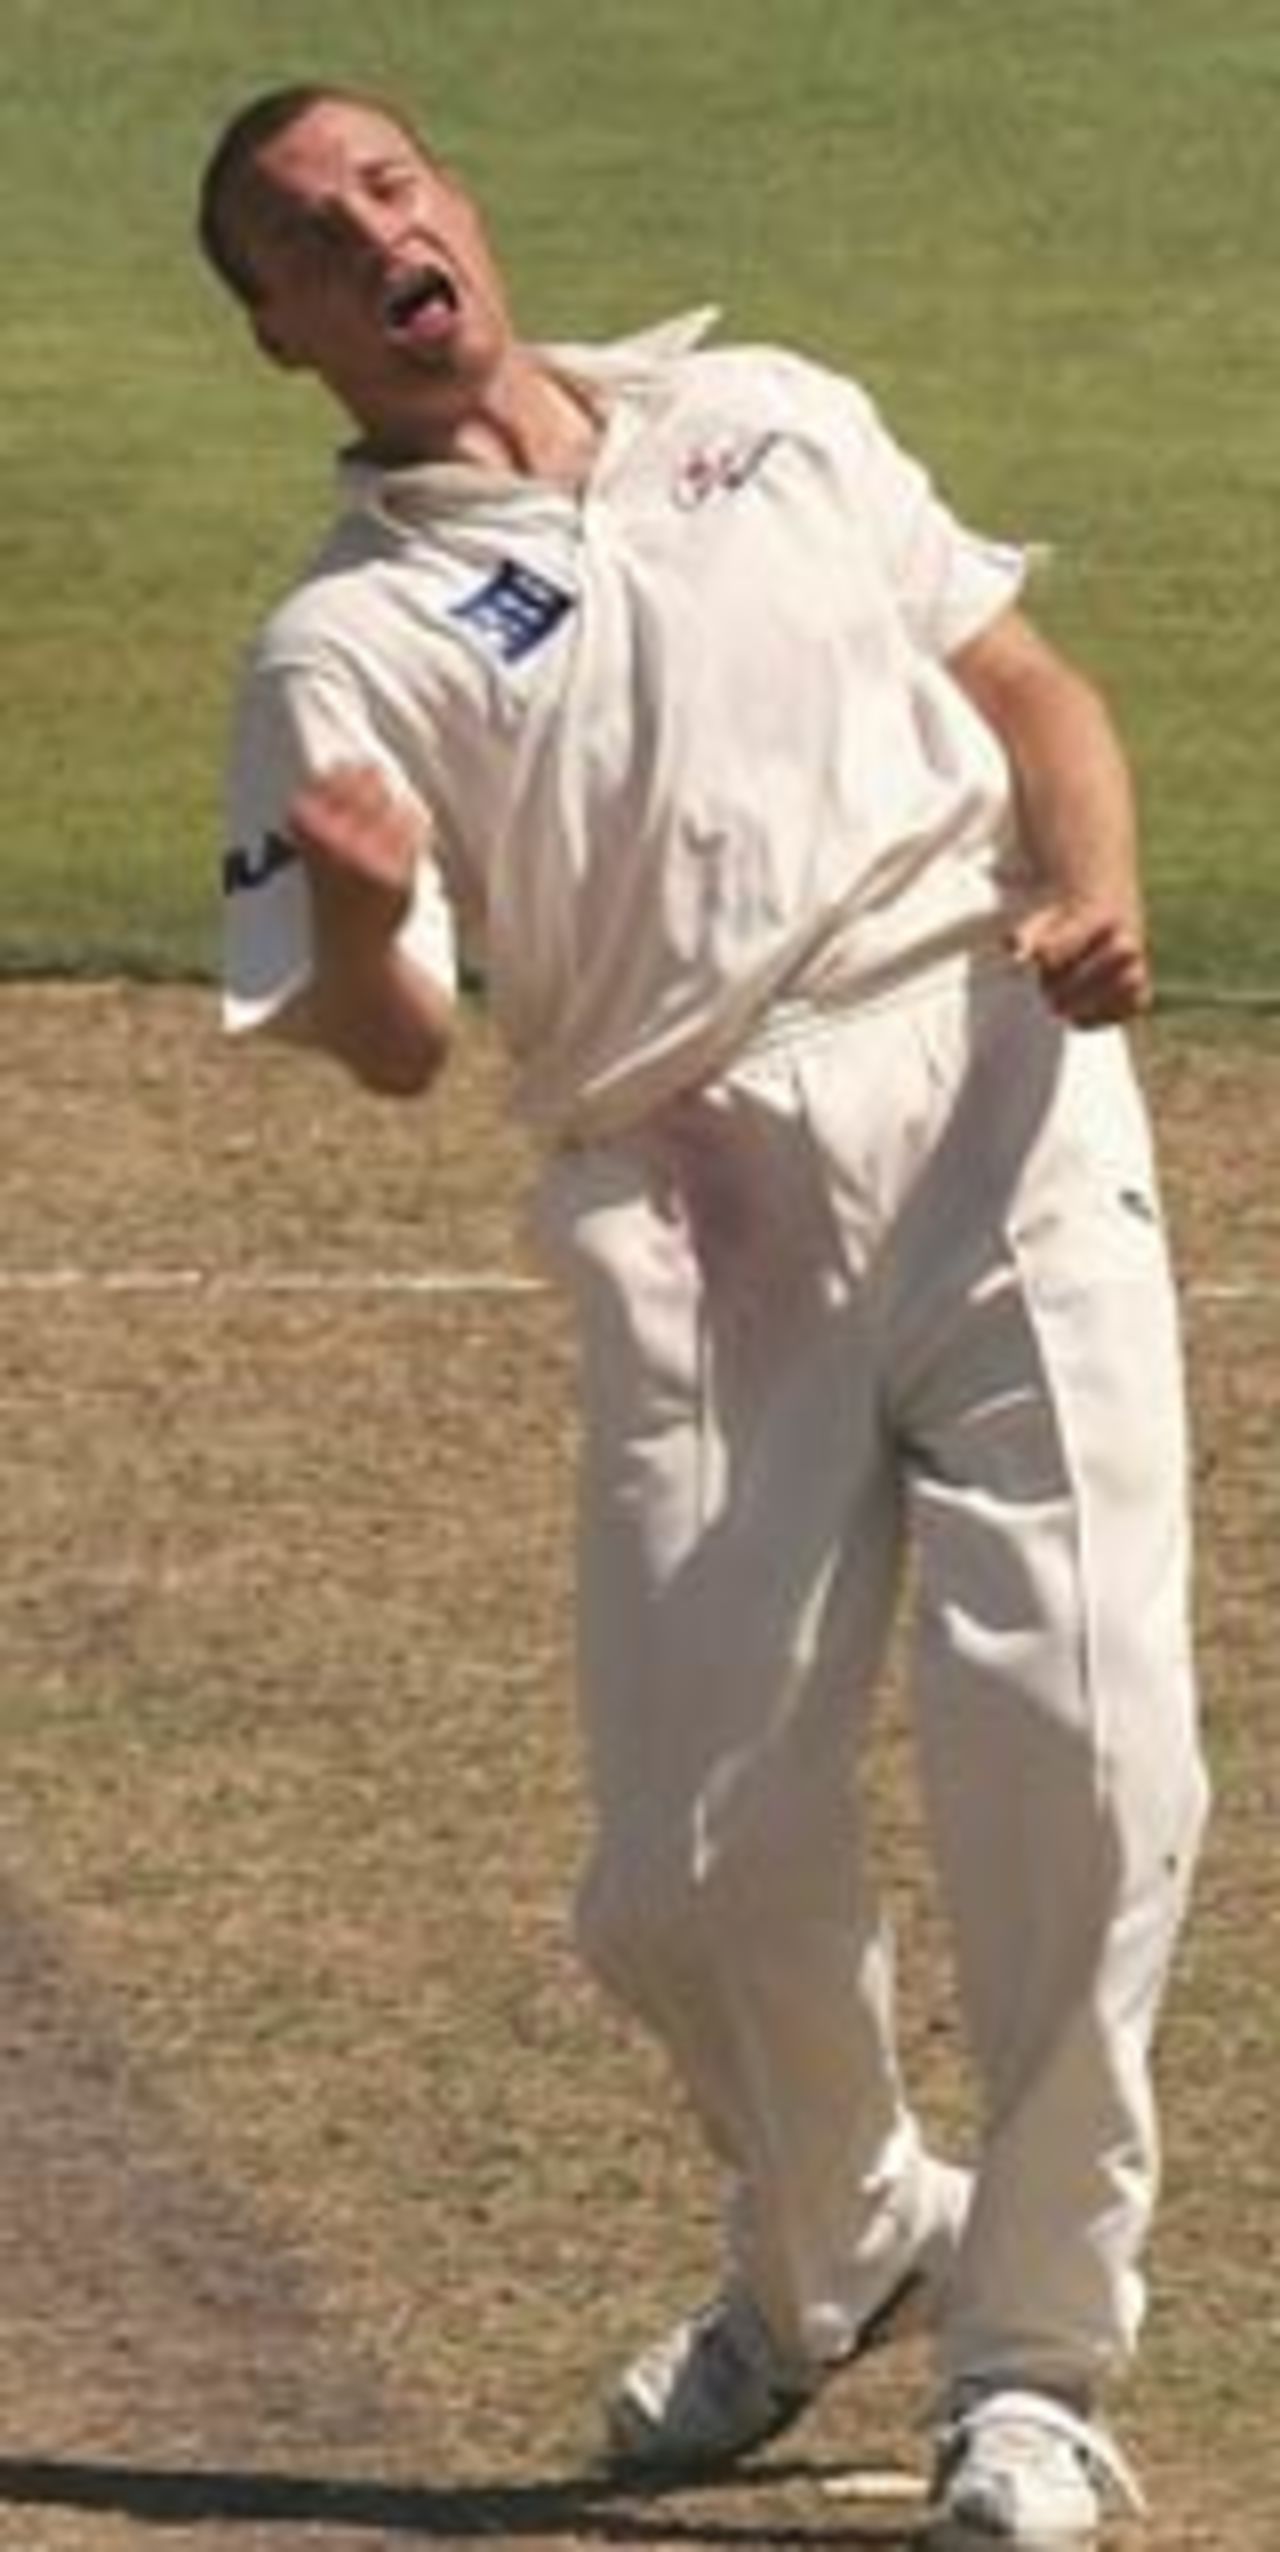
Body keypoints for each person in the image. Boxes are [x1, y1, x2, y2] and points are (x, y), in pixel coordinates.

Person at [197, 83, 1209, 2546]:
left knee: (1084, 1769)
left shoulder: (768, 412)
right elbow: (393, 1041)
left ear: (457, 201)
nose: (375, 231)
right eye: (310, 237)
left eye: (390, 182)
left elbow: (1034, 692)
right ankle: (842, 2235)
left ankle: (1031, 2367)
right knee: (680, 1872)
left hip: (991, 1093)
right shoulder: (344, 641)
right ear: (281, 334)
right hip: (684, 1187)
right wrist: (366, 920)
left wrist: (1090, 885)